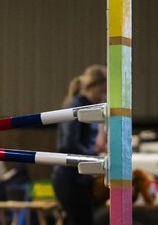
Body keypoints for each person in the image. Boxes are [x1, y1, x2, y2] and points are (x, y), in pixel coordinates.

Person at [51, 65, 107, 225]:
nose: (104, 97)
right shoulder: (76, 106)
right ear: (89, 87)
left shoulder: (89, 108)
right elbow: (67, 145)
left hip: (80, 178)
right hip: (70, 179)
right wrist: (97, 158)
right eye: (102, 91)